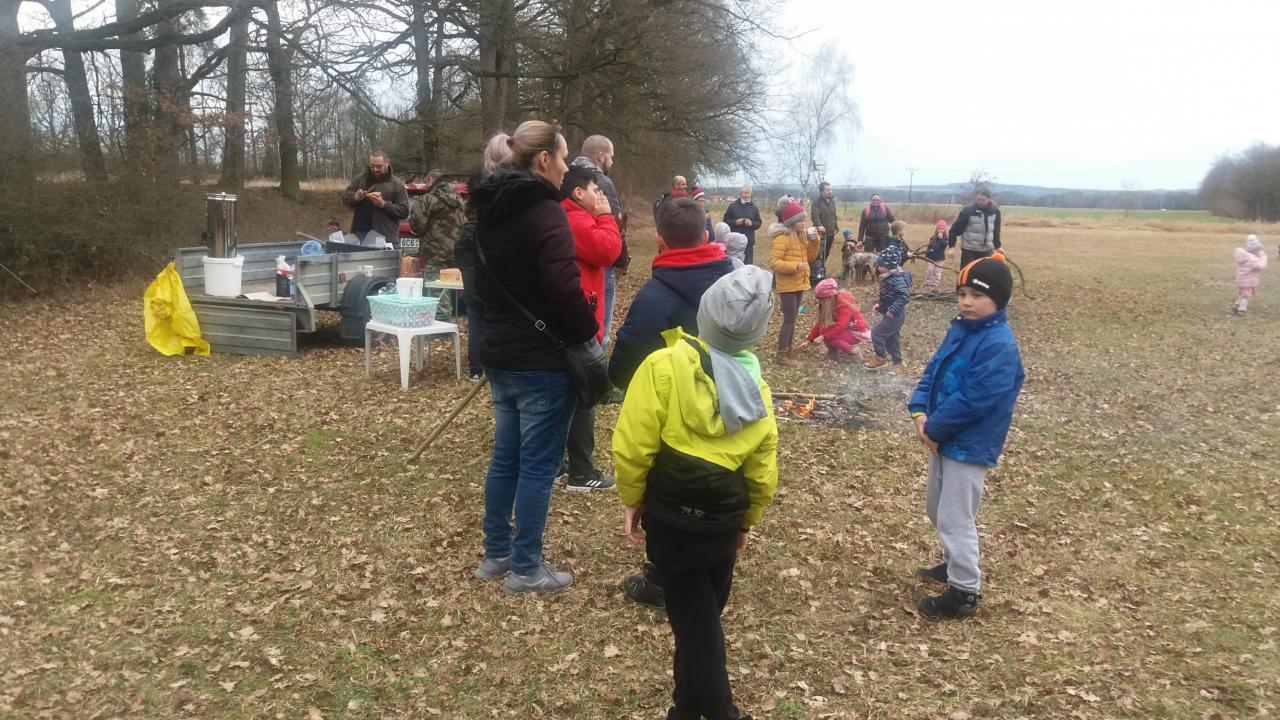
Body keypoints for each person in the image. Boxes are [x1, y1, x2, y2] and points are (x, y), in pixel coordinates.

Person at [613, 265, 779, 720]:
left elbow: (633, 444)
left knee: (697, 629)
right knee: (698, 621)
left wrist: (632, 497)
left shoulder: (662, 366)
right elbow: (762, 469)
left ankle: (722, 713)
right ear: (757, 333)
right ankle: (684, 709)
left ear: (704, 311)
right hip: (722, 523)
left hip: (672, 520)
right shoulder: (758, 389)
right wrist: (748, 520)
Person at [470, 120, 598, 595]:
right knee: (537, 466)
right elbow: (564, 290)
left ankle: (497, 553)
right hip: (540, 360)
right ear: (543, 159)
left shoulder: (488, 210)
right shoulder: (546, 213)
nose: (566, 168)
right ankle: (525, 567)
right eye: (562, 158)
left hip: (500, 353)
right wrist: (586, 336)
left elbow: (481, 286)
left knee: (506, 459)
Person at [609, 198, 736, 613]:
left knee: (666, 493)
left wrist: (652, 381)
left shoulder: (654, 296)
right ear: (705, 235)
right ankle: (712, 567)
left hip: (672, 417)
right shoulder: (733, 284)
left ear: (660, 240)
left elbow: (623, 366)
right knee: (719, 482)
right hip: (729, 409)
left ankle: (662, 582)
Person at [909, 254, 1024, 619]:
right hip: (943, 438)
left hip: (969, 445)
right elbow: (934, 370)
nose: (966, 302)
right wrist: (920, 408)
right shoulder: (961, 329)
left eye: (977, 295)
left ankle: (964, 591)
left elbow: (976, 398)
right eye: (961, 294)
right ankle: (951, 563)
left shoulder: (998, 345)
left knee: (956, 517)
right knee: (936, 508)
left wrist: (935, 429)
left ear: (998, 300)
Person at [559, 166, 623, 491]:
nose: (600, 195)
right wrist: (607, 217)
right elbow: (608, 251)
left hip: (576, 318)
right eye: (595, 189)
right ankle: (582, 472)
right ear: (577, 193)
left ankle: (557, 463)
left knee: (569, 394)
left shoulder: (573, 217)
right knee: (585, 393)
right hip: (579, 322)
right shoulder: (575, 220)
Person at [453, 135, 512, 381]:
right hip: (486, 284)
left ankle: (476, 368)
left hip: (473, 284)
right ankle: (484, 366)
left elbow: (460, 257)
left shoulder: (465, 235)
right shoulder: (485, 227)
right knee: (485, 323)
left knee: (476, 323)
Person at [570, 135, 630, 349]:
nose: (611, 163)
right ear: (601, 156)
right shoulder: (601, 182)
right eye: (611, 157)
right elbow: (616, 224)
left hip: (576, 257)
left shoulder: (567, 176)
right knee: (600, 328)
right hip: (600, 255)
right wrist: (622, 259)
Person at [767, 201, 819, 367]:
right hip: (787, 284)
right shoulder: (781, 239)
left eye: (804, 220)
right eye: (800, 220)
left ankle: (788, 349)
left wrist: (815, 240)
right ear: (791, 222)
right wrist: (794, 266)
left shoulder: (800, 237)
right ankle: (781, 354)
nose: (804, 223)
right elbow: (774, 262)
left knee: (793, 318)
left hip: (799, 283)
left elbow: (811, 257)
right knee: (789, 320)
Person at [341, 150, 409, 246]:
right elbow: (345, 197)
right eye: (372, 166)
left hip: (386, 238)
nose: (375, 169)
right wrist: (355, 197)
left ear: (387, 163)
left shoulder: (397, 184)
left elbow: (404, 211)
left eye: (379, 166)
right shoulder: (360, 179)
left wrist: (383, 204)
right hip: (359, 235)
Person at [864, 251, 912, 373]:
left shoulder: (896, 279)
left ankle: (881, 358)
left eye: (880, 265)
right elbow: (887, 296)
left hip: (895, 315)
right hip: (891, 314)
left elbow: (904, 296)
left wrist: (892, 310)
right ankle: (898, 364)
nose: (878, 268)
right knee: (892, 338)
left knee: (876, 333)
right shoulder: (888, 277)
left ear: (889, 266)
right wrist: (879, 304)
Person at [804, 277, 869, 363]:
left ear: (828, 298)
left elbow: (841, 326)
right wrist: (809, 340)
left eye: (821, 299)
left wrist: (823, 337)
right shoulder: (830, 304)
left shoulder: (843, 304)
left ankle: (854, 351)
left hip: (855, 331)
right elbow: (820, 323)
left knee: (828, 336)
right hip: (846, 330)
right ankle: (834, 352)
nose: (820, 302)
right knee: (824, 330)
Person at [948, 188, 1002, 268]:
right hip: (969, 250)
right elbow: (955, 230)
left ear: (989, 199)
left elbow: (996, 230)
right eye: (978, 199)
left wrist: (998, 246)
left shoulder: (995, 212)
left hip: (987, 250)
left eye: (983, 200)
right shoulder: (968, 211)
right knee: (967, 273)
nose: (980, 202)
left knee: (985, 273)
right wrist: (951, 247)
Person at [722, 185, 764, 264]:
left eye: (748, 193)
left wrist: (751, 223)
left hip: (748, 242)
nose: (746, 195)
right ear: (740, 194)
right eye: (744, 193)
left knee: (747, 265)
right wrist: (735, 222)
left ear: (750, 194)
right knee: (735, 265)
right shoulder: (733, 206)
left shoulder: (754, 207)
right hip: (735, 241)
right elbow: (725, 221)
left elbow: (758, 223)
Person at [810, 181, 840, 282]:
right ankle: (815, 274)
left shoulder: (832, 201)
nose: (830, 191)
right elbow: (815, 215)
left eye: (830, 189)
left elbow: (834, 216)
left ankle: (821, 272)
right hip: (820, 234)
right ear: (821, 191)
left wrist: (836, 226)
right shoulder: (816, 202)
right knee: (818, 255)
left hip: (831, 232)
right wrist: (819, 225)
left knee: (826, 253)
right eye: (827, 190)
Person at [1233, 234, 1268, 315]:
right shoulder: (1252, 259)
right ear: (1255, 250)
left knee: (1241, 294)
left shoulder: (1245, 257)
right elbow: (1260, 266)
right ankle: (1241, 310)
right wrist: (1263, 258)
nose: (1259, 252)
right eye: (1259, 250)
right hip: (1248, 282)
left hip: (1241, 280)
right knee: (1245, 296)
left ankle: (1237, 304)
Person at [924, 220, 949, 291]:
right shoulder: (933, 237)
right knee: (930, 270)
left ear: (944, 229)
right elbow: (929, 246)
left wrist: (940, 239)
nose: (940, 230)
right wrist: (927, 254)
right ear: (936, 229)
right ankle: (929, 283)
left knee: (937, 272)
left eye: (942, 229)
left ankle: (935, 284)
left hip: (940, 258)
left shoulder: (945, 238)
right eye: (939, 229)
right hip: (931, 257)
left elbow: (944, 246)